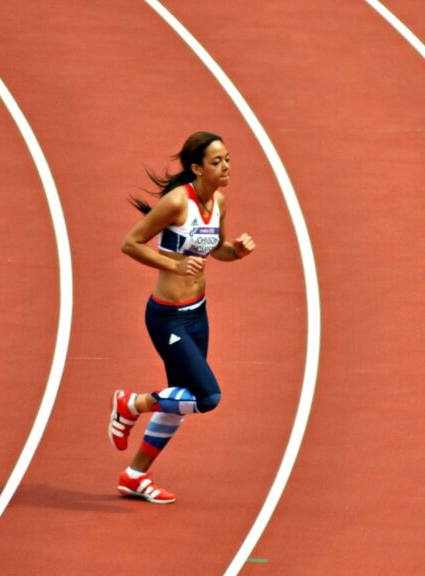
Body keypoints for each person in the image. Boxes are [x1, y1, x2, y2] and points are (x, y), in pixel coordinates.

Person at [108, 131, 255, 504]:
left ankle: (134, 475)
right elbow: (131, 243)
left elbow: (216, 249)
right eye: (216, 162)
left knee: (180, 400)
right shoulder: (177, 202)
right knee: (207, 397)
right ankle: (131, 404)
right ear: (196, 168)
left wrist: (234, 252)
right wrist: (173, 263)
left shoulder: (218, 201)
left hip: (197, 313)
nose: (225, 168)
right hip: (167, 318)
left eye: (227, 159)